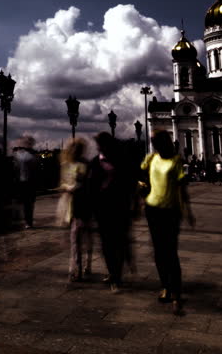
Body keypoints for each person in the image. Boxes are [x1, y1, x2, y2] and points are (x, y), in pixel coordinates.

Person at [141, 130, 195, 315]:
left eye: (156, 140)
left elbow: (182, 188)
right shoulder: (150, 159)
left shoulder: (176, 161)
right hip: (152, 210)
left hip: (171, 211)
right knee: (158, 251)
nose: (154, 144)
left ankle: (176, 292)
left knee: (170, 252)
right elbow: (140, 176)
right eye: (152, 141)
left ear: (164, 141)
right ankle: (165, 286)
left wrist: (188, 211)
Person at [88, 132, 133, 292]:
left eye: (101, 144)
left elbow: (129, 183)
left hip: (119, 208)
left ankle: (116, 276)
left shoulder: (121, 160)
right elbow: (91, 187)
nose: (99, 147)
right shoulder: (95, 162)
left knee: (117, 243)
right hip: (102, 209)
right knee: (106, 245)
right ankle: (112, 272)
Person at [59, 138, 92, 282]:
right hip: (73, 205)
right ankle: (81, 266)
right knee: (80, 238)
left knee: (77, 238)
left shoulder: (79, 164)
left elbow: (79, 184)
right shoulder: (74, 164)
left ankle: (78, 268)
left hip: (80, 205)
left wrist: (68, 187)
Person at [14, 136, 38, 229]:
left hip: (26, 182)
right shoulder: (29, 155)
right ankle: (28, 221)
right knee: (28, 203)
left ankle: (27, 221)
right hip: (26, 182)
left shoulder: (20, 155)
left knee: (27, 203)